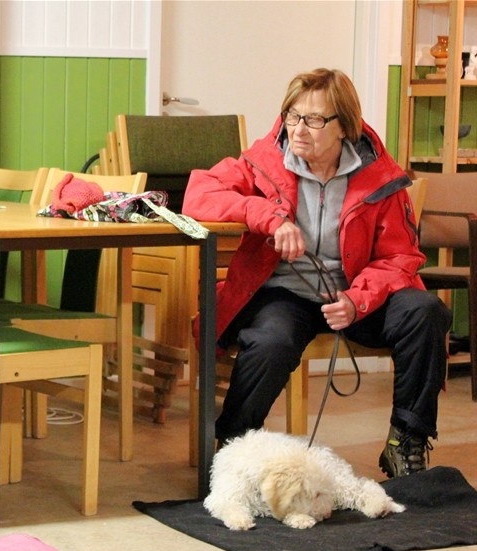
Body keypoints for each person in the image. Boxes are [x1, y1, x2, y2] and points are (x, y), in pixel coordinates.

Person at [182, 68, 452, 479]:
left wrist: (357, 299)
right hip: (286, 293)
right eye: (292, 116)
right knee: (270, 341)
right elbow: (199, 195)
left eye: (314, 119)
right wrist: (270, 218)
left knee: (426, 310)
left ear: (345, 125)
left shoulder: (379, 177)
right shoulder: (264, 161)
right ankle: (232, 450)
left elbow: (400, 257)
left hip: (356, 296)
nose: (299, 129)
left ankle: (405, 442)